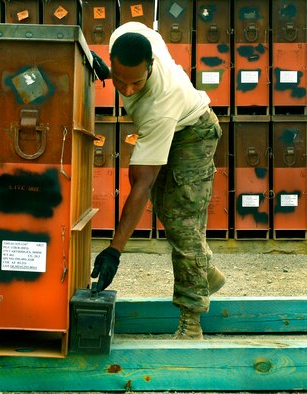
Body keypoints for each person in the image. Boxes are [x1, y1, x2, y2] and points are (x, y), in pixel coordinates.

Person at [90, 22, 226, 340]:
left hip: (193, 133)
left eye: (136, 83)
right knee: (165, 208)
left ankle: (191, 324)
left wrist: (114, 250)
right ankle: (207, 273)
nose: (127, 90)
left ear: (150, 68)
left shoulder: (159, 104)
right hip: (175, 125)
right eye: (119, 81)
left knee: (182, 224)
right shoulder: (128, 34)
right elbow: (138, 51)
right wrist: (108, 72)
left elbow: (142, 183)